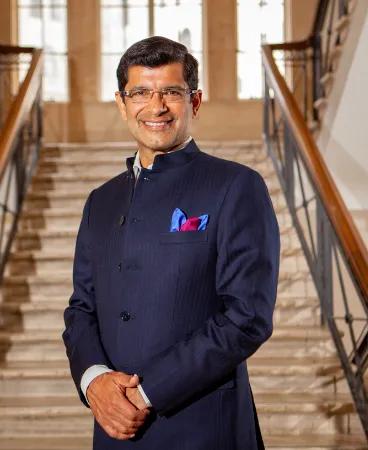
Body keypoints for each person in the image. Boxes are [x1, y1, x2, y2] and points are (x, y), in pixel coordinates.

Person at [62, 36, 279, 449]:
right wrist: (94, 383)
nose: (156, 106)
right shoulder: (100, 202)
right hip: (114, 430)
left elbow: (247, 316)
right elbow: (81, 308)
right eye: (141, 92)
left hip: (202, 427)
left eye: (172, 92)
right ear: (122, 103)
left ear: (194, 102)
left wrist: (145, 393)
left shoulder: (236, 186)